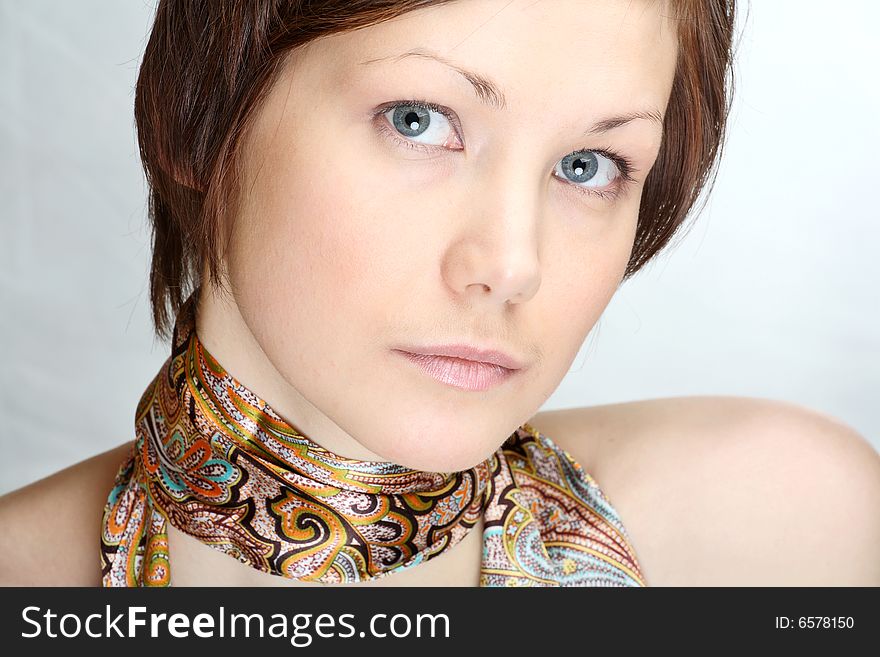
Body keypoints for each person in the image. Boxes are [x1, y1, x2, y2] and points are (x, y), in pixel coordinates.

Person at [2, 0, 878, 587]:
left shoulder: (790, 533)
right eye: (418, 120)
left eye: (588, 165)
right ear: (200, 114)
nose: (510, 262)